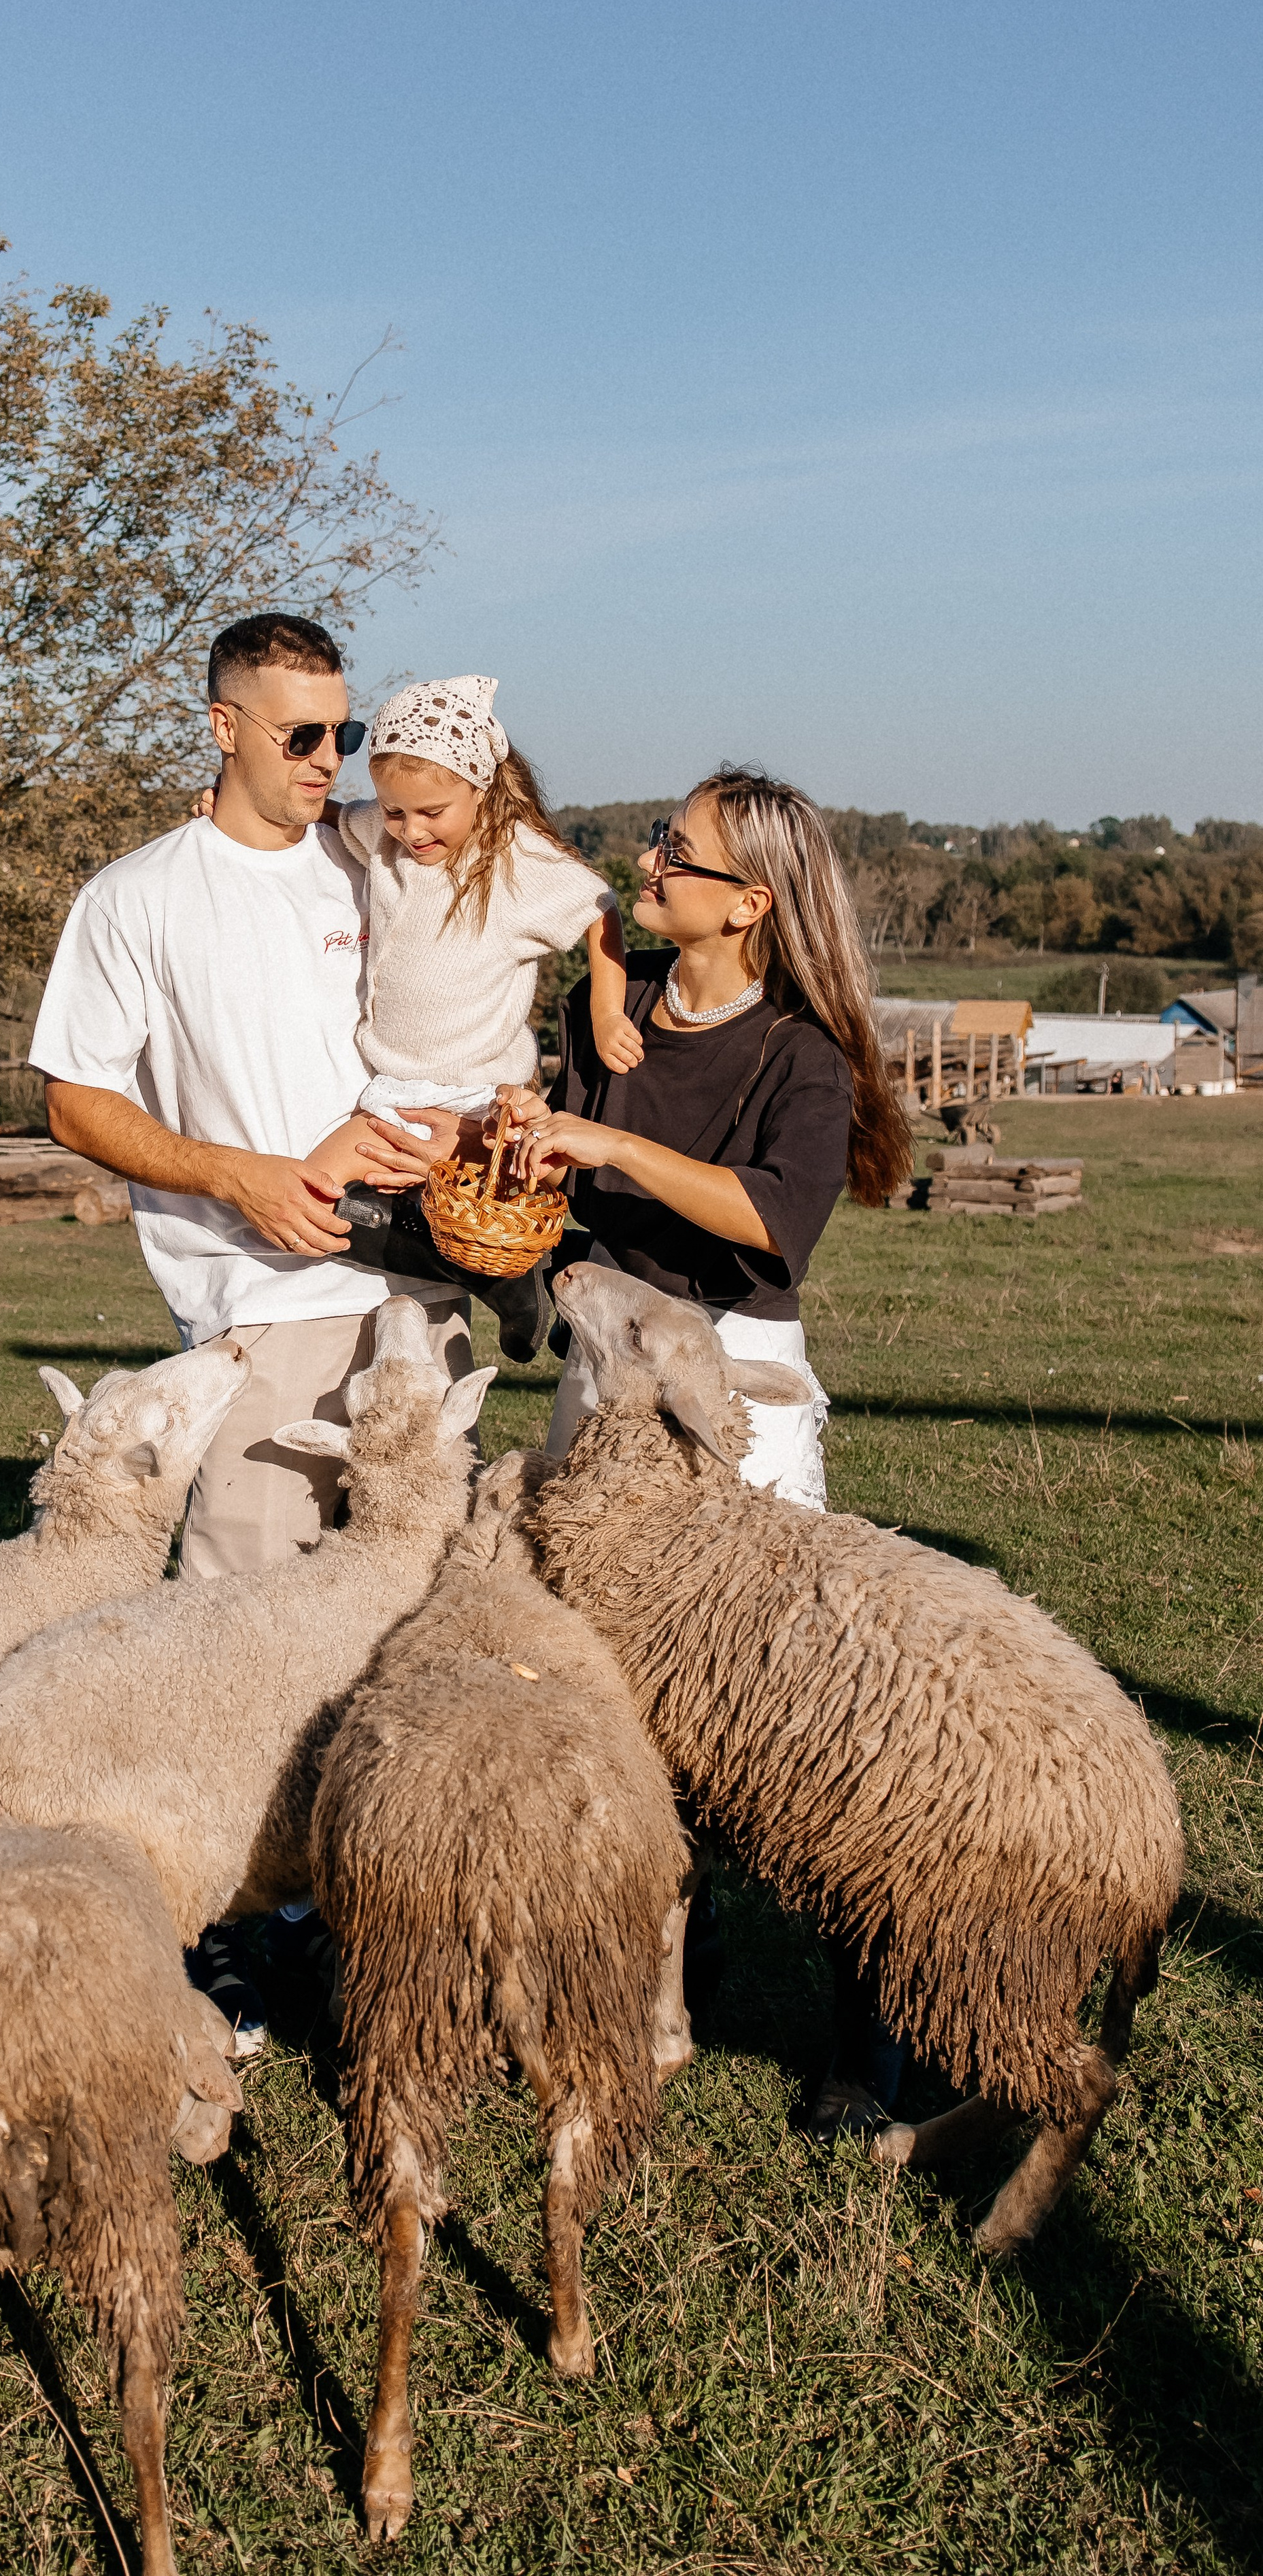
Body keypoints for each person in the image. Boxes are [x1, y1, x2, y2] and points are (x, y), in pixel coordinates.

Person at [30, 611, 474, 2040]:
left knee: (414, 1623)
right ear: (219, 726)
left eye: (341, 734)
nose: (328, 762)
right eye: (300, 736)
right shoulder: (138, 899)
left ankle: (380, 1912)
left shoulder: (375, 856)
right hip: (260, 1308)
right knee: (242, 1648)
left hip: (418, 1303)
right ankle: (229, 1927)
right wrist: (234, 1174)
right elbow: (75, 1100)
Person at [507, 763, 915, 2118]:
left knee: (778, 1713)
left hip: (736, 1389)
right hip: (602, 1384)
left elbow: (772, 1221)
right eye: (653, 844)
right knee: (608, 1703)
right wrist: (526, 1180)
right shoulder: (600, 1011)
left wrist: (594, 1145)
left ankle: (868, 2027)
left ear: (747, 904)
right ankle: (648, 1972)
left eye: (674, 855)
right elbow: (571, 1201)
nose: (649, 864)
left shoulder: (800, 1055)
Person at [307, 673, 635, 1360]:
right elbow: (340, 816)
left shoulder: (515, 862)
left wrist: (608, 1013)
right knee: (321, 1201)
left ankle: (511, 1273)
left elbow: (598, 907)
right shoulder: (389, 836)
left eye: (430, 812)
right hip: (395, 1087)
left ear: (482, 789)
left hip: (481, 1095)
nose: (410, 831)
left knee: (331, 1203)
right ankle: (508, 1279)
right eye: (395, 812)